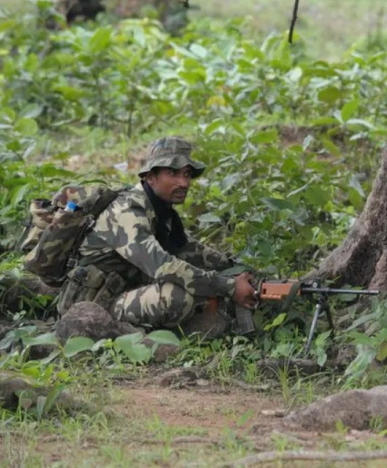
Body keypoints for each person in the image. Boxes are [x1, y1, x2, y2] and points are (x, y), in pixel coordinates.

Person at [55, 137, 257, 331]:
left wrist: (236, 269)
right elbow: (162, 265)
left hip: (124, 288)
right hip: (92, 303)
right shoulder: (126, 211)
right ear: (150, 177)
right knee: (179, 298)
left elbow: (187, 249)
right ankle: (128, 334)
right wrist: (228, 286)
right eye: (173, 173)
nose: (184, 183)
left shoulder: (159, 210)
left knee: (195, 282)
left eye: (186, 174)